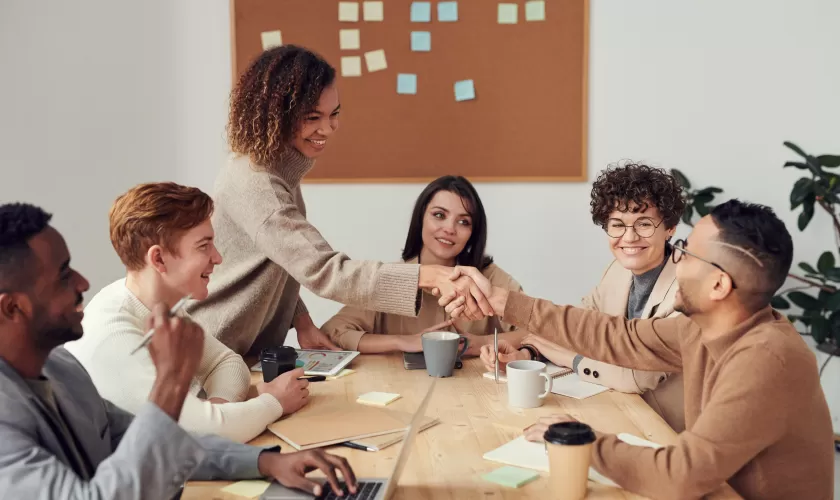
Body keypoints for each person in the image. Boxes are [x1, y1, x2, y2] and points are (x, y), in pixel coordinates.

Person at [460, 200, 834, 499]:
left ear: (719, 285)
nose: (677, 258)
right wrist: (503, 301)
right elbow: (619, 337)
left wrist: (584, 440)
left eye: (687, 253)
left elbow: (682, 476)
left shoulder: (766, 359)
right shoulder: (704, 329)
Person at [0, 203, 358, 499]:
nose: (83, 283)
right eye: (63, 276)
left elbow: (157, 441)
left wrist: (265, 462)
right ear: (12, 308)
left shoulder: (61, 368)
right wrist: (171, 382)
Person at [187, 45, 490, 357]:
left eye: (334, 114)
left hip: (242, 352)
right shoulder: (258, 183)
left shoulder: (277, 170)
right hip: (212, 350)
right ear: (277, 115)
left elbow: (282, 259)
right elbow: (325, 270)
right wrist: (426, 275)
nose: (328, 128)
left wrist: (301, 320)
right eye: (312, 117)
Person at [65, 183, 308, 443]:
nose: (217, 258)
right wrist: (273, 403)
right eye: (203, 246)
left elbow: (226, 363)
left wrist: (217, 413)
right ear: (158, 259)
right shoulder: (114, 336)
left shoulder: (158, 305)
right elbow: (199, 436)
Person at [480, 163, 687, 431]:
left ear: (669, 227)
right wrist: (528, 352)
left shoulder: (687, 289)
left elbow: (636, 377)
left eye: (644, 224)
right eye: (617, 225)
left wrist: (572, 359)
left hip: (667, 430)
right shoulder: (617, 271)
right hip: (619, 412)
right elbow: (575, 327)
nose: (629, 237)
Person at [322, 176, 523, 354]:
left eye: (463, 222)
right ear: (421, 219)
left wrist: (480, 343)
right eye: (439, 215)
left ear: (473, 233)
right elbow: (333, 332)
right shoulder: (392, 278)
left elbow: (540, 333)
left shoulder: (489, 278)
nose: (449, 229)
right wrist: (402, 341)